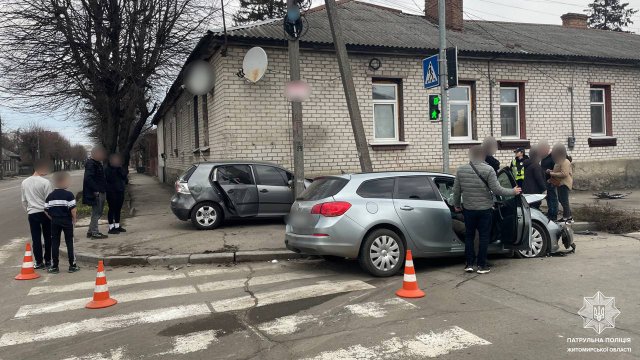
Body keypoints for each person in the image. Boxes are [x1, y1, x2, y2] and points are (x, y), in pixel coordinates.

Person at [453, 145, 522, 274]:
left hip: (468, 209)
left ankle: (469, 264)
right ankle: (481, 265)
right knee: (484, 237)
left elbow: (456, 191)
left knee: (469, 236)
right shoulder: (489, 170)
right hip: (485, 209)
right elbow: (497, 190)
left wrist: (457, 205)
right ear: (483, 155)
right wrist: (513, 191)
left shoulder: (461, 170)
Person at [20, 159, 54, 269]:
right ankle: (48, 260)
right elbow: (49, 200)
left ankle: (38, 262)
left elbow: (24, 200)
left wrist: (29, 210)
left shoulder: (24, 182)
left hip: (32, 213)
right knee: (48, 237)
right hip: (45, 213)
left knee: (36, 238)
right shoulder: (46, 182)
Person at [44, 171, 80, 274]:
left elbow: (45, 210)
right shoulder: (69, 195)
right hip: (67, 220)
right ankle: (72, 265)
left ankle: (55, 266)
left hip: (55, 221)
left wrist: (52, 217)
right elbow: (73, 209)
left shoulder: (50, 196)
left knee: (55, 243)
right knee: (69, 242)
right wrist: (74, 219)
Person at [83, 145, 108, 239]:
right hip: (97, 192)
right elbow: (88, 178)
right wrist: (96, 190)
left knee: (98, 212)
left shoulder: (96, 163)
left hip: (100, 190)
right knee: (96, 212)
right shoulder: (91, 164)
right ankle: (94, 232)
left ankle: (90, 231)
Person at [547, 144, 573, 224]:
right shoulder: (559, 161)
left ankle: (567, 217)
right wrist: (551, 171)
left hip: (564, 184)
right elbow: (558, 170)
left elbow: (564, 173)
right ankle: (568, 216)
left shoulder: (565, 161)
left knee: (564, 200)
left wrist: (552, 174)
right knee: (561, 200)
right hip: (559, 183)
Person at [105, 154, 128, 234]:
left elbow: (125, 178)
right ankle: (111, 227)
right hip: (111, 192)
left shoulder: (120, 168)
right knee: (112, 209)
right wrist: (115, 169)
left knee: (118, 209)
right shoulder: (108, 169)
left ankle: (117, 226)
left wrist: (121, 170)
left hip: (120, 191)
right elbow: (109, 178)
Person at [539, 141, 558, 220]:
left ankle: (553, 215)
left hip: (551, 181)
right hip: (545, 181)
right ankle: (550, 212)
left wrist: (550, 178)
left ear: (546, 149)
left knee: (552, 198)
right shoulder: (544, 158)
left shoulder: (552, 158)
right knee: (548, 198)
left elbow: (556, 170)